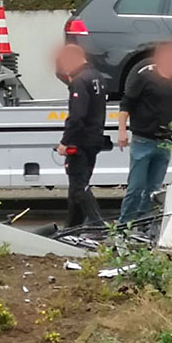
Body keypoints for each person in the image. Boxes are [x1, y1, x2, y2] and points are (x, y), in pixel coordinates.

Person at [117, 42, 172, 223]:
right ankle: (123, 227)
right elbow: (126, 103)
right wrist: (122, 130)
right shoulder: (144, 77)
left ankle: (144, 225)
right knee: (136, 188)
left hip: (165, 142)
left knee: (154, 190)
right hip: (143, 140)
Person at [56, 44, 107, 227]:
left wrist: (65, 141)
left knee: (79, 186)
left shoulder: (79, 80)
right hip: (94, 137)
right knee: (76, 187)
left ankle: (97, 225)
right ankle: (71, 227)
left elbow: (77, 116)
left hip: (80, 141)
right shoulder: (97, 77)